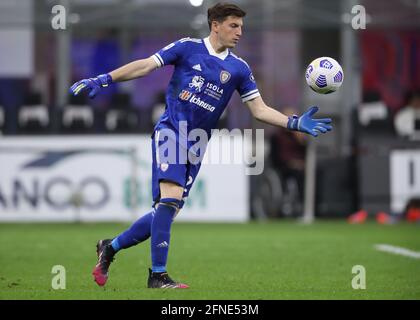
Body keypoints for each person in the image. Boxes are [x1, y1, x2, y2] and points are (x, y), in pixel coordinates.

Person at [69, 3, 332, 289]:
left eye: (241, 27)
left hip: (197, 144)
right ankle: (157, 276)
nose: (239, 32)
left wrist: (292, 123)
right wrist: (105, 79)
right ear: (215, 25)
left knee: (167, 211)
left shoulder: (239, 68)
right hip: (171, 131)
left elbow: (259, 109)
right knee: (169, 201)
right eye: (234, 25)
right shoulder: (187, 48)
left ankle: (110, 247)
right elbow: (146, 65)